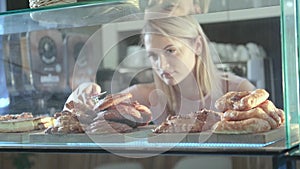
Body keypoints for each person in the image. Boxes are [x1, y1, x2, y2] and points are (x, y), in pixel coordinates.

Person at [64, 15, 255, 124]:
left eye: (170, 51)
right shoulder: (142, 96)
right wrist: (81, 93)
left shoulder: (238, 92)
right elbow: (84, 118)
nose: (161, 66)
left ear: (197, 45)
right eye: (153, 56)